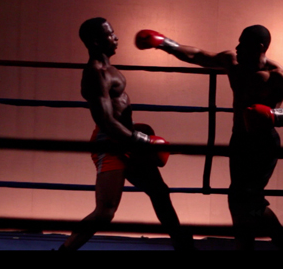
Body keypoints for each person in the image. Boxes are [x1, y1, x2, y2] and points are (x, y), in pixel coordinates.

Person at [135, 25, 283, 250]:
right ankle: (265, 244)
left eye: (243, 44)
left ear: (259, 47)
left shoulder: (278, 77)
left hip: (263, 144)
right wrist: (163, 43)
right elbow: (198, 55)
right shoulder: (233, 63)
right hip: (238, 140)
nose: (236, 47)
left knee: (248, 199)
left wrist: (274, 116)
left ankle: (279, 243)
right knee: (240, 200)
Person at [58, 17, 193, 251]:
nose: (116, 37)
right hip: (111, 143)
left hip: (127, 139)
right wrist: (141, 141)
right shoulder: (95, 74)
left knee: (159, 192)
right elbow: (107, 122)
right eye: (110, 34)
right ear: (95, 42)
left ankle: (184, 247)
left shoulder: (109, 69)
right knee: (105, 211)